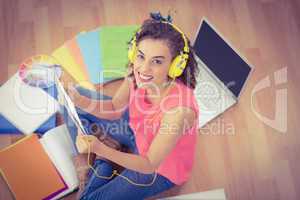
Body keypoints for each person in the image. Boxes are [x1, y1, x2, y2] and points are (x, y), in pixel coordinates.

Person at [67, 13, 199, 200]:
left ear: (175, 66)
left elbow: (149, 163)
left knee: (89, 198)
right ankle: (102, 160)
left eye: (157, 61)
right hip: (135, 132)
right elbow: (114, 107)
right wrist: (79, 101)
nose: (143, 69)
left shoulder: (179, 112)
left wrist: (101, 150)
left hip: (157, 169)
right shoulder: (136, 73)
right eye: (141, 56)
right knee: (74, 99)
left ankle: (102, 164)